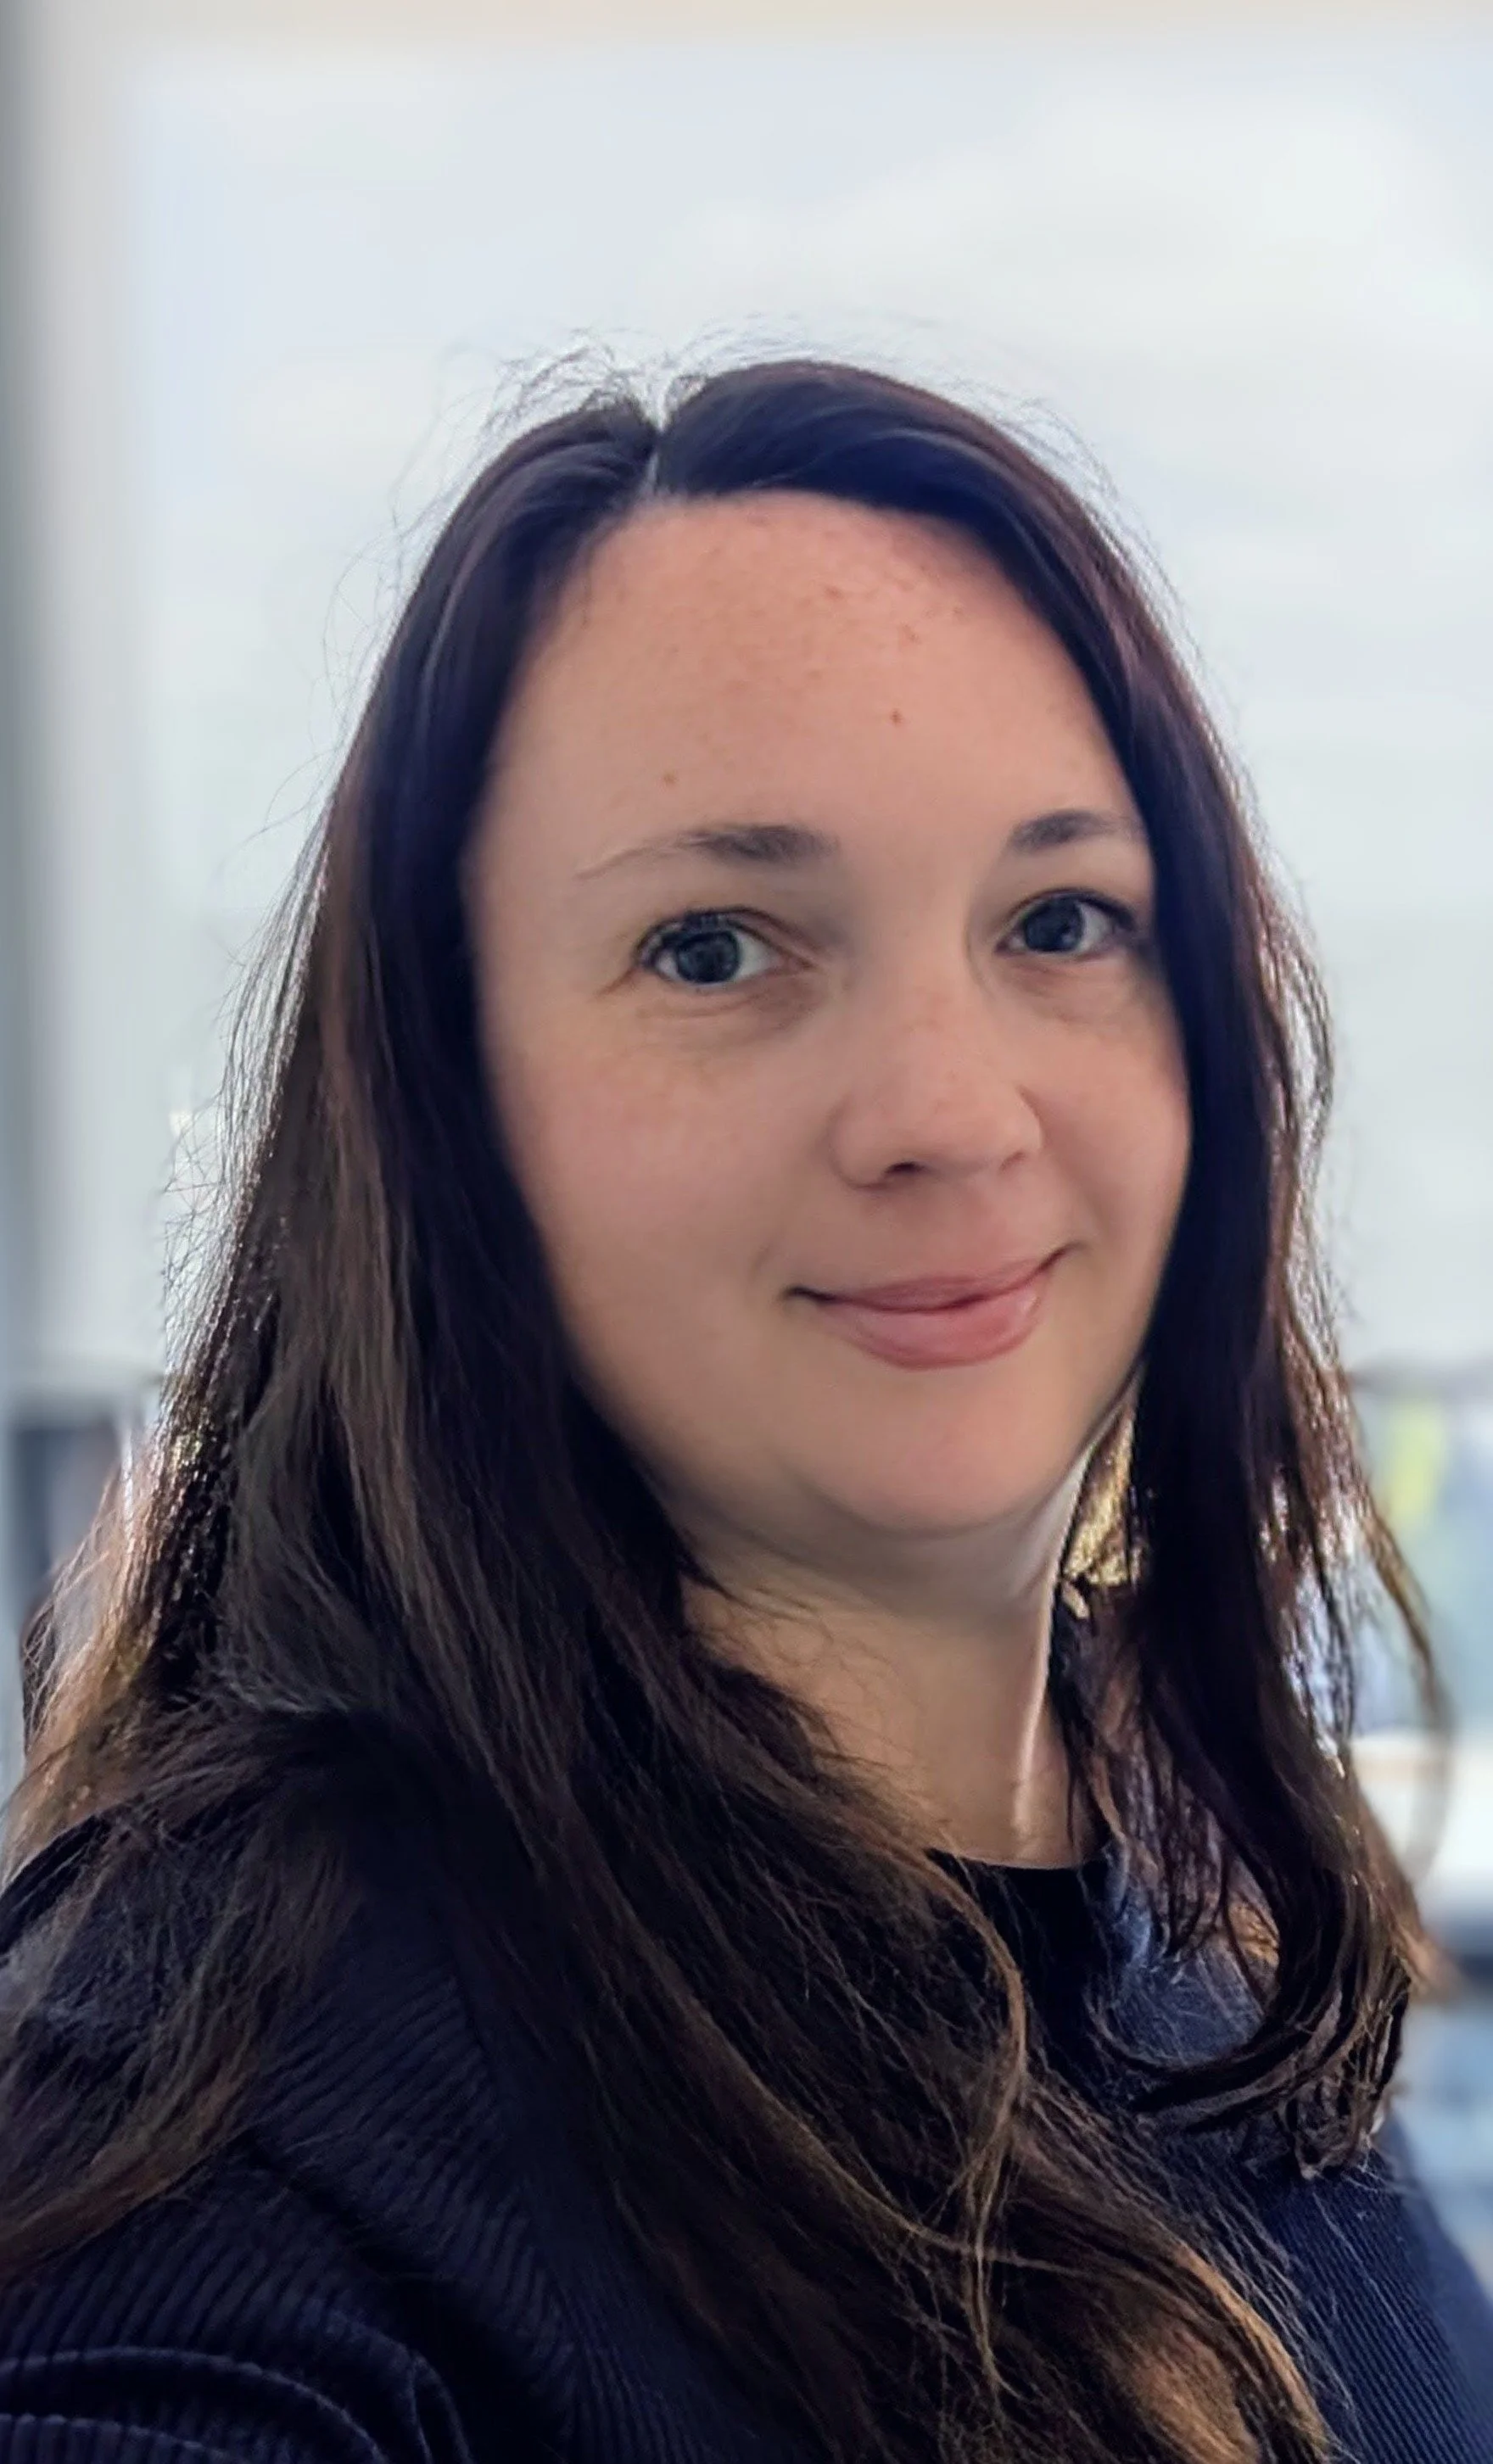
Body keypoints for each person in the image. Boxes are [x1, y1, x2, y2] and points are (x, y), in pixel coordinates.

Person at [0, 357, 1487, 2464]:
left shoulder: (1192, 1893)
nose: (949, 1114)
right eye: (713, 949)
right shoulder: (217, 2125)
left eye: (1060, 921)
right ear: (445, 1113)